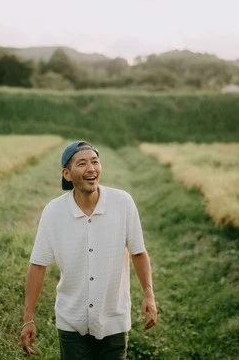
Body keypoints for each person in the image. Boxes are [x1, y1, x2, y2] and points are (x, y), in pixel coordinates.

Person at [21, 141, 157, 358]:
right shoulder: (53, 212)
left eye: (95, 161)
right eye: (82, 163)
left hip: (114, 318)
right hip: (71, 320)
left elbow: (138, 252)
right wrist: (28, 318)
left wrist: (148, 294)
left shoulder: (123, 203)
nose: (91, 168)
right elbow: (38, 265)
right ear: (67, 174)